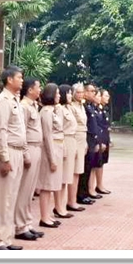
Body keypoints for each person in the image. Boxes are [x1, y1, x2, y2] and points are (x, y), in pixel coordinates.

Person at [0, 66, 27, 249]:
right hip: (8, 152)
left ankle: (7, 238)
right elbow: (1, 131)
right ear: (9, 80)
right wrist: (4, 158)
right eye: (19, 77)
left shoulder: (15, 100)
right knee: (3, 198)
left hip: (17, 151)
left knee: (11, 197)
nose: (22, 80)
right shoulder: (3, 101)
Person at [15, 78, 46, 242]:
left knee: (30, 190)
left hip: (37, 148)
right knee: (24, 190)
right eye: (38, 87)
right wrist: (25, 153)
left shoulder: (33, 105)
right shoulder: (24, 106)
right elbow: (22, 132)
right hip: (30, 148)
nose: (40, 90)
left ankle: (27, 223)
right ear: (30, 90)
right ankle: (20, 226)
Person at [35, 83, 63, 229]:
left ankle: (47, 215)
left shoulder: (53, 110)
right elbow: (47, 136)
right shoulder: (46, 112)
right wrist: (52, 159)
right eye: (56, 93)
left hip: (57, 148)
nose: (59, 96)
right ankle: (44, 217)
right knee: (46, 186)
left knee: (51, 185)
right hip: (50, 151)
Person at [55, 84, 78, 219]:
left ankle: (62, 206)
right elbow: (59, 129)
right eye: (68, 93)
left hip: (71, 141)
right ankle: (59, 207)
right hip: (64, 141)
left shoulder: (69, 108)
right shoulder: (59, 109)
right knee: (62, 177)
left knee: (67, 177)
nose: (70, 95)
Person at [67, 83, 91, 210]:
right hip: (75, 137)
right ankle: (71, 200)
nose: (81, 94)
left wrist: (85, 142)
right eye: (78, 92)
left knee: (78, 170)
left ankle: (73, 199)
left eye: (82, 92)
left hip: (82, 137)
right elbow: (73, 125)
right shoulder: (71, 106)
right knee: (74, 171)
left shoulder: (81, 105)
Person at [78, 83, 103, 202]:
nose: (94, 93)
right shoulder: (84, 106)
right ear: (86, 92)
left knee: (88, 167)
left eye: (94, 91)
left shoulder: (90, 106)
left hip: (92, 140)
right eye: (91, 91)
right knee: (84, 168)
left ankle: (86, 192)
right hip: (86, 139)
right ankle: (81, 195)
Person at [94, 90, 112, 195]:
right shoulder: (96, 110)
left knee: (102, 163)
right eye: (105, 95)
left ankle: (99, 184)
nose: (108, 97)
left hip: (105, 139)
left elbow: (106, 127)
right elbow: (98, 127)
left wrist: (108, 140)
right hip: (100, 140)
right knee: (97, 163)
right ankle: (97, 186)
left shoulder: (104, 109)